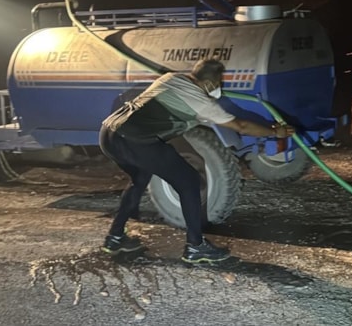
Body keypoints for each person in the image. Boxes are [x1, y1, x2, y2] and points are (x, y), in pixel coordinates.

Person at [98, 58, 295, 263]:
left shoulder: (171, 78)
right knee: (189, 181)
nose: (220, 86)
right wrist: (275, 132)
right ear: (210, 82)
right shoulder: (201, 101)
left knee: (139, 180)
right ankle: (195, 246)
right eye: (219, 81)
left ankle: (115, 237)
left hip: (110, 133)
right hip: (135, 140)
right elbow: (241, 126)